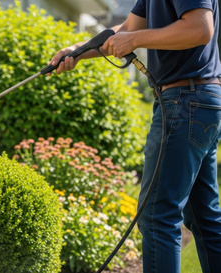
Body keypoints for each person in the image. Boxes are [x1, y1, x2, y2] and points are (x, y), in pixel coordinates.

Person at [49, 1, 221, 272]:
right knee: (204, 218)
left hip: (185, 101)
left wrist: (135, 40)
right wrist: (78, 51)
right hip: (196, 101)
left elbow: (200, 28)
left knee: (157, 216)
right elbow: (127, 29)